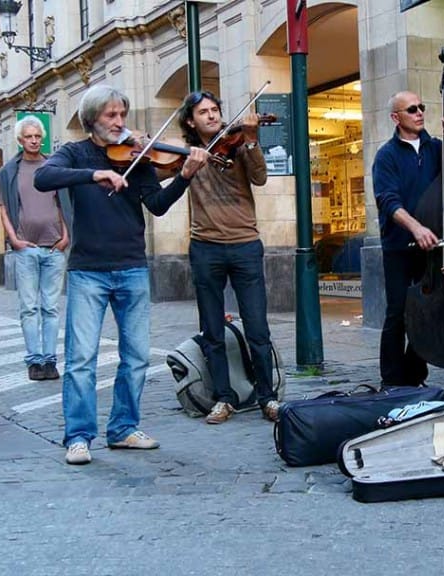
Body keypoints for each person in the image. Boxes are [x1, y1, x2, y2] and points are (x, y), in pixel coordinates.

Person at [34, 84, 208, 465]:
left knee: (137, 357)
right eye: (111, 115)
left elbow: (158, 206)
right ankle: (78, 437)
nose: (120, 123)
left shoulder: (140, 157)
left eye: (122, 115)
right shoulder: (74, 153)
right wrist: (95, 174)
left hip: (131, 266)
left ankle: (124, 428)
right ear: (92, 119)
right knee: (81, 358)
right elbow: (43, 178)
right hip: (88, 271)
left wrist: (185, 176)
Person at [176, 90, 280, 425]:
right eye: (203, 112)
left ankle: (268, 397)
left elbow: (260, 177)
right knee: (212, 330)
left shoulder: (238, 144)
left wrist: (250, 140)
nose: (212, 115)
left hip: (245, 244)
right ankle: (224, 398)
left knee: (257, 328)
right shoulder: (187, 154)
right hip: (205, 246)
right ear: (191, 121)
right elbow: (159, 174)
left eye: (216, 109)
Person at [372, 90, 444, 387]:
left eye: (422, 107)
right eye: (412, 109)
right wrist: (415, 228)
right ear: (396, 118)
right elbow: (388, 201)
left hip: (434, 245)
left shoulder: (437, 148)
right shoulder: (386, 156)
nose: (420, 112)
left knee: (430, 311)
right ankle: (392, 381)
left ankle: (414, 376)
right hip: (400, 246)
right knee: (398, 313)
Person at [0, 115, 71, 382]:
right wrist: (13, 239)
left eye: (38, 136)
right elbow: (4, 208)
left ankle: (50, 360)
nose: (34, 140)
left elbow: (63, 203)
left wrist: (65, 236)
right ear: (20, 140)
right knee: (29, 307)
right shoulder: (9, 171)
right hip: (25, 247)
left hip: (54, 248)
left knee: (50, 307)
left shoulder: (52, 166)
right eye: (29, 136)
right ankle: (34, 361)